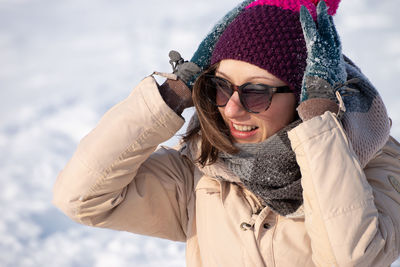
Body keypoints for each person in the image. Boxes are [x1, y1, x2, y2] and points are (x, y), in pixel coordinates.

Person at [53, 0, 400, 266]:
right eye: (219, 87)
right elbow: (81, 199)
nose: (231, 108)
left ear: (304, 96)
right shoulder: (205, 169)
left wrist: (320, 126)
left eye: (256, 92)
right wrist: (171, 96)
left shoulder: (376, 165)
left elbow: (351, 259)